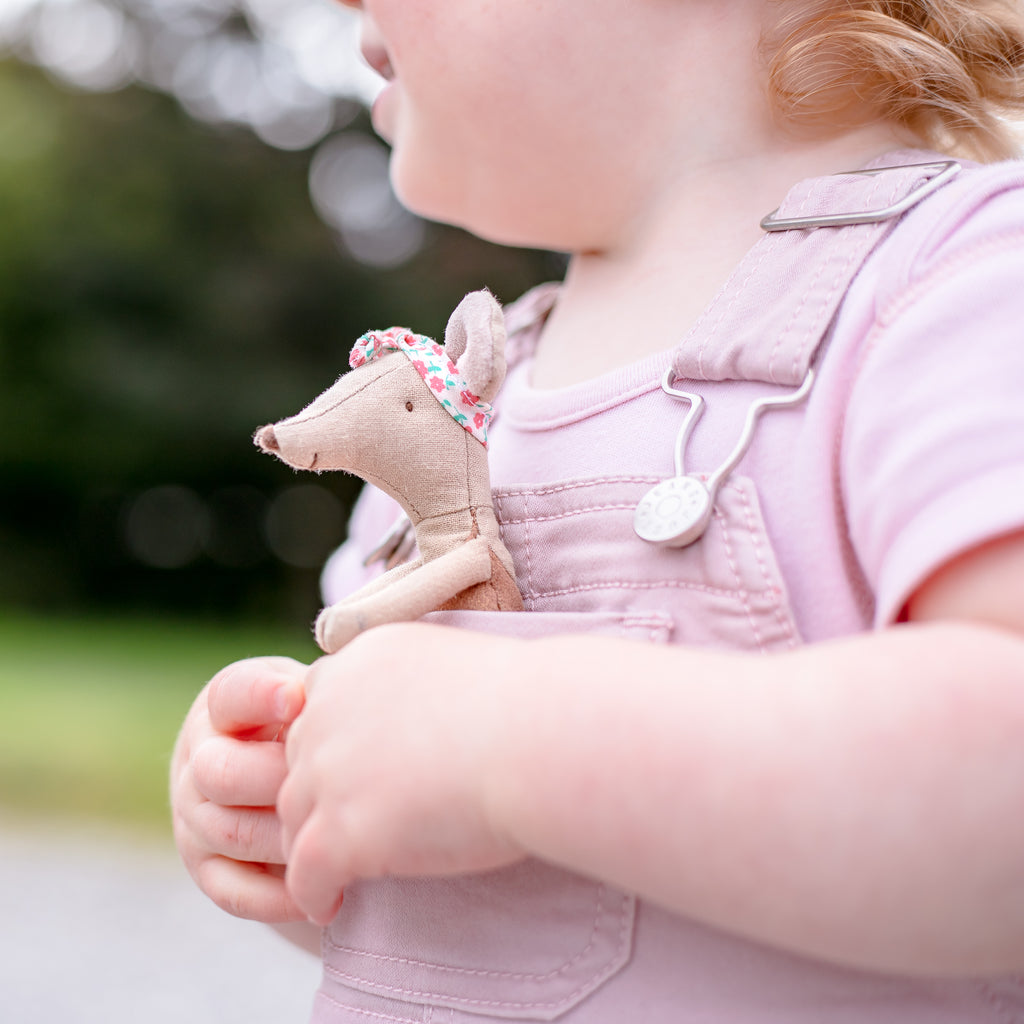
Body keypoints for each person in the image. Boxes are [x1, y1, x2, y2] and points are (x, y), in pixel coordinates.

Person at [171, 0, 1024, 1020]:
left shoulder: (963, 283)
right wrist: (300, 808)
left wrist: (510, 742)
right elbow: (482, 933)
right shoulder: (462, 415)